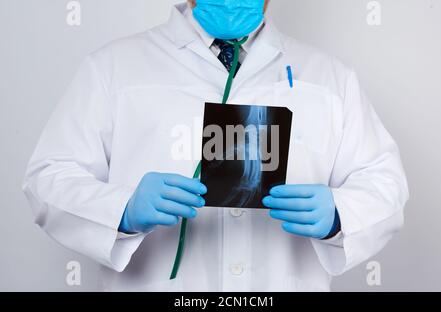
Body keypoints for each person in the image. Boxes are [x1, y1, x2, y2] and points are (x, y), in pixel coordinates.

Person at [23, 0, 409, 291]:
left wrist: (340, 214)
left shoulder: (329, 77)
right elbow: (49, 178)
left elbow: (385, 183)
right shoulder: (112, 67)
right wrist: (120, 209)